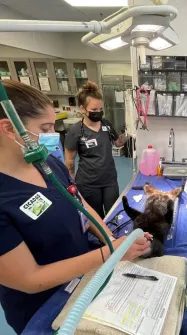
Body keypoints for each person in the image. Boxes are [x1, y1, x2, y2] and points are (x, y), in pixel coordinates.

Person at [0, 81, 151, 334]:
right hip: (42, 306)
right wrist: (109, 254)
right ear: (9, 128)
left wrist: (112, 239)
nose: (52, 135)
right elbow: (29, 279)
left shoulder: (46, 163)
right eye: (45, 128)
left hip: (82, 281)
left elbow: (79, 202)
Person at [65, 82, 126, 219]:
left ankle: (113, 239)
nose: (98, 112)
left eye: (100, 109)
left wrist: (128, 133)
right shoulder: (75, 131)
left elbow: (118, 143)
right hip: (88, 183)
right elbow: (69, 161)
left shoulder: (106, 125)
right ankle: (101, 241)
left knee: (113, 214)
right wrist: (71, 183)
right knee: (96, 217)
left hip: (110, 179)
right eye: (94, 109)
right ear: (82, 108)